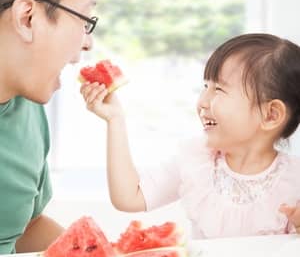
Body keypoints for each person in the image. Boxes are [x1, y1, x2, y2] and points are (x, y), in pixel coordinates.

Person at [81, 33, 300, 239]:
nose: (202, 102)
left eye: (219, 90)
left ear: (271, 115)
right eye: (206, 86)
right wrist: (115, 120)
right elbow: (129, 197)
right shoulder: (196, 161)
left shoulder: (295, 182)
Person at [0, 0, 98, 254]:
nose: (87, 44)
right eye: (84, 20)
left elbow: (24, 226)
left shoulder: (29, 111)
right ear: (27, 18)